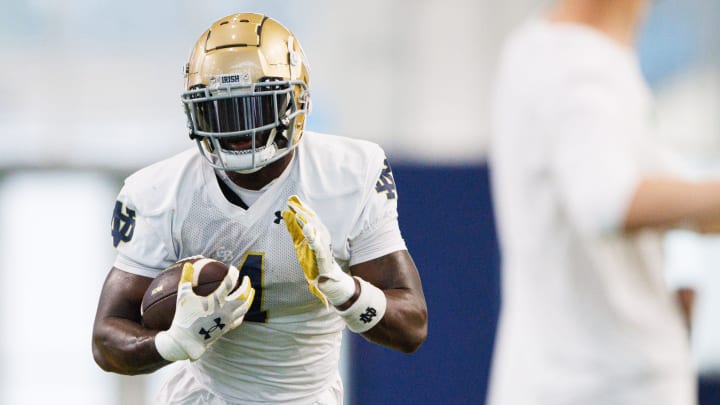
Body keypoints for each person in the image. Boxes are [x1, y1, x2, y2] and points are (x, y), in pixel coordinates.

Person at [91, 12, 427, 404]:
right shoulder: (161, 192)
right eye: (221, 109)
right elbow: (106, 338)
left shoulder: (348, 173)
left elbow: (412, 327)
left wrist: (343, 289)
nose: (237, 130)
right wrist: (172, 342)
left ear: (294, 100)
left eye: (255, 107)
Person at [487, 0, 720, 404]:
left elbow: (671, 198)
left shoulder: (564, 54)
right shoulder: (573, 61)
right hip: (599, 385)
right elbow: (609, 199)